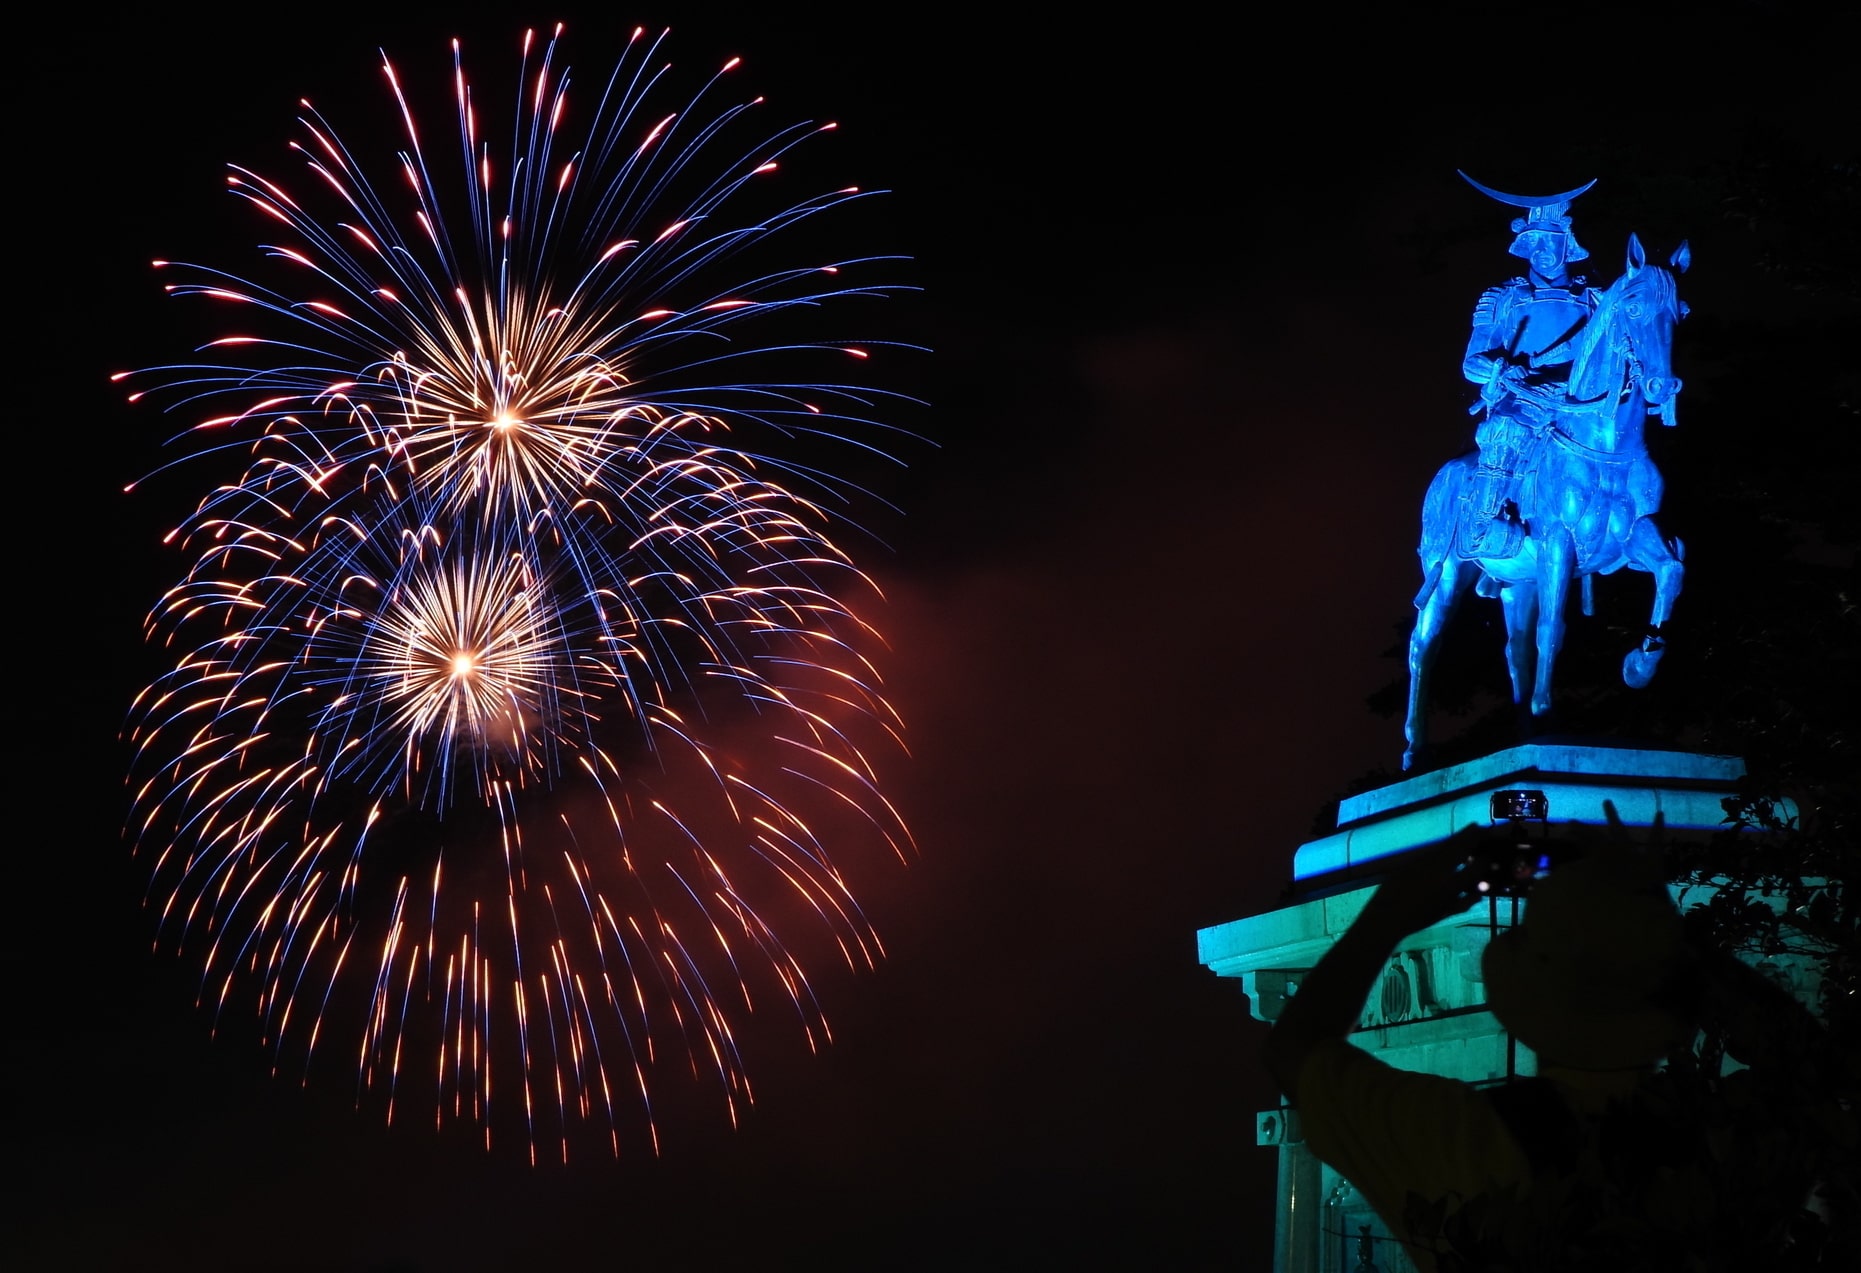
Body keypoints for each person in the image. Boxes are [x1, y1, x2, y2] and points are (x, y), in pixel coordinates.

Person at [1261, 821, 1846, 1271]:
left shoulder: (1465, 1144)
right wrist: (1655, 930)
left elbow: (1295, 1049)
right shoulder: (1733, 1148)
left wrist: (1389, 913)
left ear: (1528, 997)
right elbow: (1812, 1068)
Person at [1457, 174, 1599, 561]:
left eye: (1549, 241)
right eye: (1533, 242)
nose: (1541, 251)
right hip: (1522, 400)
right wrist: (1503, 368)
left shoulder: (1595, 299)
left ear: (1566, 245)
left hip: (1580, 400)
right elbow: (1472, 363)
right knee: (1503, 433)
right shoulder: (1502, 298)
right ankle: (1483, 526)